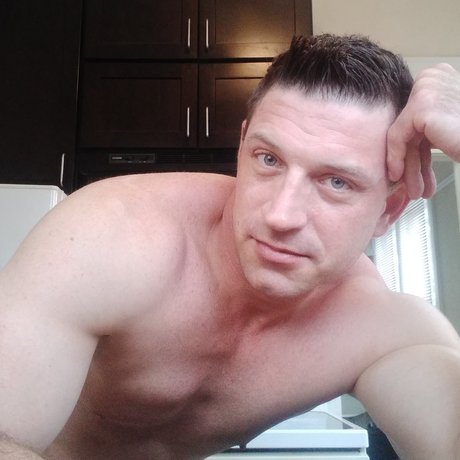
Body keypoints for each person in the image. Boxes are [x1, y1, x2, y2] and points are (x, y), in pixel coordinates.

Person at [0, 34, 460, 460]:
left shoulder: (382, 331)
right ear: (241, 147)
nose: (281, 216)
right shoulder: (110, 236)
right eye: (268, 159)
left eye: (336, 182)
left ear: (388, 209)